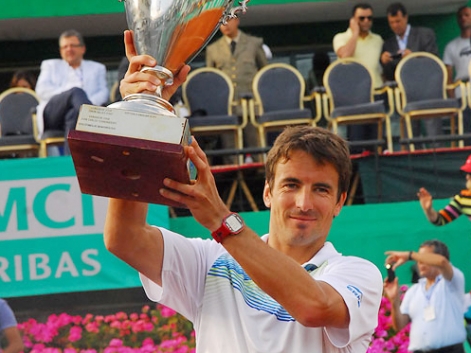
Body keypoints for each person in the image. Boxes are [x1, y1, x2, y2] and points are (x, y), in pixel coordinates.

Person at [104, 30, 383, 352]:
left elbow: (313, 307)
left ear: (339, 203)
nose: (303, 203)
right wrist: (141, 116)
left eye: (321, 189)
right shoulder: (209, 261)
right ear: (268, 192)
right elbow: (124, 237)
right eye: (291, 185)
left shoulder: (356, 273)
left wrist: (222, 221)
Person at [383, 239, 466, 353]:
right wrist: (394, 300)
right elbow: (399, 325)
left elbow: (442, 262)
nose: (420, 262)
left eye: (423, 258)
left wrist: (410, 255)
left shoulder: (452, 281)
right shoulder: (414, 291)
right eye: (418, 258)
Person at [35, 29, 109, 155]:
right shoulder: (50, 65)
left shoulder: (97, 68)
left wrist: (79, 103)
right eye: (65, 47)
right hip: (53, 114)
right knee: (75, 92)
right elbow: (42, 90)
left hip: (76, 115)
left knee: (74, 113)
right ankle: (88, 114)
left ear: (83, 49)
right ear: (60, 51)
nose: (69, 49)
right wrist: (69, 95)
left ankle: (71, 159)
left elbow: (103, 92)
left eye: (73, 45)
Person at [205, 17, 268, 163]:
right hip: (227, 107)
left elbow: (265, 73)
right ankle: (235, 181)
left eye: (228, 20)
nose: (225, 25)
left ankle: (261, 179)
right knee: (231, 151)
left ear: (237, 20)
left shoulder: (254, 43)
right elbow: (210, 80)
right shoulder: (213, 49)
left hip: (252, 106)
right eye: (221, 22)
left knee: (257, 146)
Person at [380, 2, 441, 142]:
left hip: (428, 90)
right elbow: (389, 75)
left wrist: (415, 55)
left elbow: (435, 61)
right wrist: (384, 62)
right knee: (409, 136)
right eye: (392, 22)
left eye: (398, 21)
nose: (395, 25)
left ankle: (438, 159)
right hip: (405, 94)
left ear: (406, 18)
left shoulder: (425, 34)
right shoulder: (388, 44)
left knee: (434, 134)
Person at [332, 3, 384, 153]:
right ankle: (356, 176)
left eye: (369, 18)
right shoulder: (341, 37)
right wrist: (354, 33)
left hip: (375, 95)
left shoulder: (378, 39)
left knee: (376, 143)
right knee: (356, 144)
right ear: (353, 20)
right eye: (362, 18)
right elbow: (345, 55)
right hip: (354, 98)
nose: (366, 21)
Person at [443, 6, 471, 144]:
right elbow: (448, 77)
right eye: (461, 16)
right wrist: (452, 101)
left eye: (467, 15)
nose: (464, 18)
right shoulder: (451, 46)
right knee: (465, 134)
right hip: (462, 96)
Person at [417, 154, 471, 226]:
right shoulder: (463, 198)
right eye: (467, 173)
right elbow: (440, 220)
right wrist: (428, 210)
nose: (467, 177)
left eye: (470, 174)